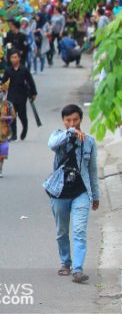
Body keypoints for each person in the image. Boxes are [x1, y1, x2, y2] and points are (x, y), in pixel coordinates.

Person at [45, 105, 99, 283]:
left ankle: (77, 269)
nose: (72, 123)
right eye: (68, 120)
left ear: (81, 119)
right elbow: (52, 144)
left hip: (81, 193)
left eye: (75, 120)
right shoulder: (59, 136)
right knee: (62, 231)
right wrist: (71, 133)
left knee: (79, 231)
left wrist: (95, 195)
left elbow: (92, 171)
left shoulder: (89, 142)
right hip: (59, 193)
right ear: (63, 121)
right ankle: (65, 262)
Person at [0, 50, 37, 141]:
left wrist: (34, 93)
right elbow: (3, 82)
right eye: (12, 57)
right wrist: (0, 90)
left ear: (19, 58)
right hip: (11, 95)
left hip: (22, 96)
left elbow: (31, 81)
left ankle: (25, 127)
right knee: (12, 115)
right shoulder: (8, 71)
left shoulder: (24, 70)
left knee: (22, 115)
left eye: (15, 57)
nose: (14, 59)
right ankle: (14, 134)